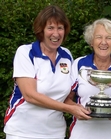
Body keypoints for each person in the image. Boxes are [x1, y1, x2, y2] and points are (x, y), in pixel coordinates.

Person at [3, 5, 90, 139]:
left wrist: (89, 110)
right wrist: (70, 109)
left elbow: (66, 98)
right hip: (22, 132)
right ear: (41, 30)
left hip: (55, 132)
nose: (56, 34)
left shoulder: (67, 55)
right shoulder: (26, 52)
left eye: (60, 28)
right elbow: (30, 95)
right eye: (50, 28)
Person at [64, 18, 111, 139]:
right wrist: (75, 109)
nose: (103, 42)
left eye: (108, 38)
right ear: (91, 42)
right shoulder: (78, 65)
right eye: (99, 37)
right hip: (82, 133)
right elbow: (66, 99)